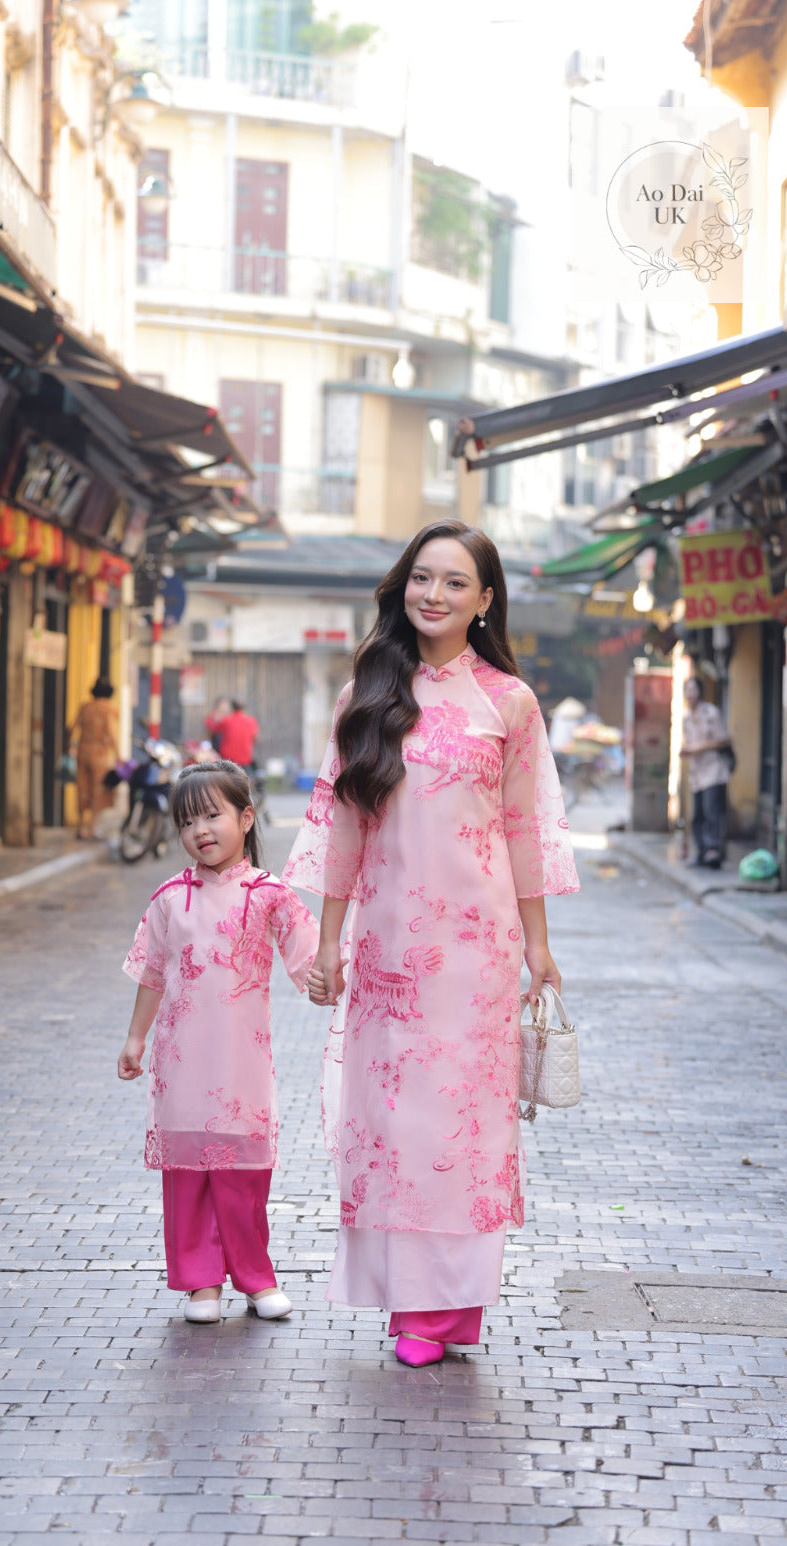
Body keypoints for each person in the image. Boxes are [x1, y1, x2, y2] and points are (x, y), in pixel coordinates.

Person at [284, 518, 579, 1368]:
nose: (433, 595)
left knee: (466, 1127)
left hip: (475, 953)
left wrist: (538, 947)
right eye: (421, 578)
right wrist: (329, 943)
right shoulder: (365, 695)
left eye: (454, 582)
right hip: (384, 947)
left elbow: (524, 831)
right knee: (393, 1120)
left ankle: (455, 1306)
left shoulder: (510, 704)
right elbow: (343, 831)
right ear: (400, 587)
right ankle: (412, 1304)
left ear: (486, 601)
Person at [117, 759, 319, 1324]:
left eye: (212, 815)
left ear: (246, 817)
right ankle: (201, 1283)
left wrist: (335, 979)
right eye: (187, 822)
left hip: (240, 1065)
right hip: (180, 1064)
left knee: (241, 1177)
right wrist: (136, 1038)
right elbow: (153, 974)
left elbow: (311, 962)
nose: (200, 831)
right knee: (188, 1177)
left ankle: (256, 1278)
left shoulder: (270, 895)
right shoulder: (167, 900)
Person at [680, 675, 732, 869]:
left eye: (694, 690)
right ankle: (701, 851)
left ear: (700, 692)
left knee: (712, 812)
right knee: (698, 815)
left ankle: (713, 850)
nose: (691, 694)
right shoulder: (686, 718)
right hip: (696, 773)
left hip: (713, 771)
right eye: (688, 690)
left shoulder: (711, 713)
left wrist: (697, 748)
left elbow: (724, 740)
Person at [68, 677, 119, 840]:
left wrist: (72, 746)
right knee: (98, 790)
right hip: (99, 753)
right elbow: (111, 732)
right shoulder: (108, 709)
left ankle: (80, 826)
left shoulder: (85, 707)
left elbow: (71, 727)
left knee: (82, 788)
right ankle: (91, 828)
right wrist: (118, 755)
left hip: (82, 751)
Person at [216, 701, 260, 769]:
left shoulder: (226, 720)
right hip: (245, 756)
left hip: (228, 757)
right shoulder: (251, 720)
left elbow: (215, 729)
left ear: (232, 707)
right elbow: (255, 737)